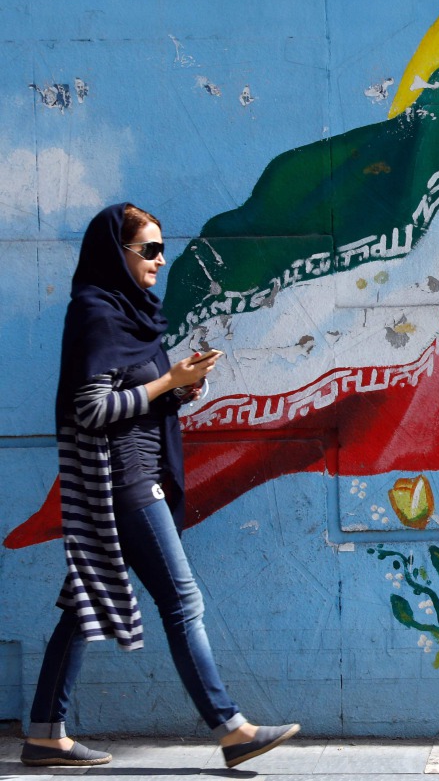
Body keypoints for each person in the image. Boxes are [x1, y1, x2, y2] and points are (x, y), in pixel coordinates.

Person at [21, 203, 299, 769]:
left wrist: (179, 389)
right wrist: (167, 381)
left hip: (137, 472)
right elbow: (92, 409)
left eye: (161, 248)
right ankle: (231, 728)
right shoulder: (97, 313)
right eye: (148, 249)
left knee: (83, 605)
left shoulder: (132, 314)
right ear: (115, 253)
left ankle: (45, 734)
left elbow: (135, 397)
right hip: (123, 481)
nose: (160, 259)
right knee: (182, 601)